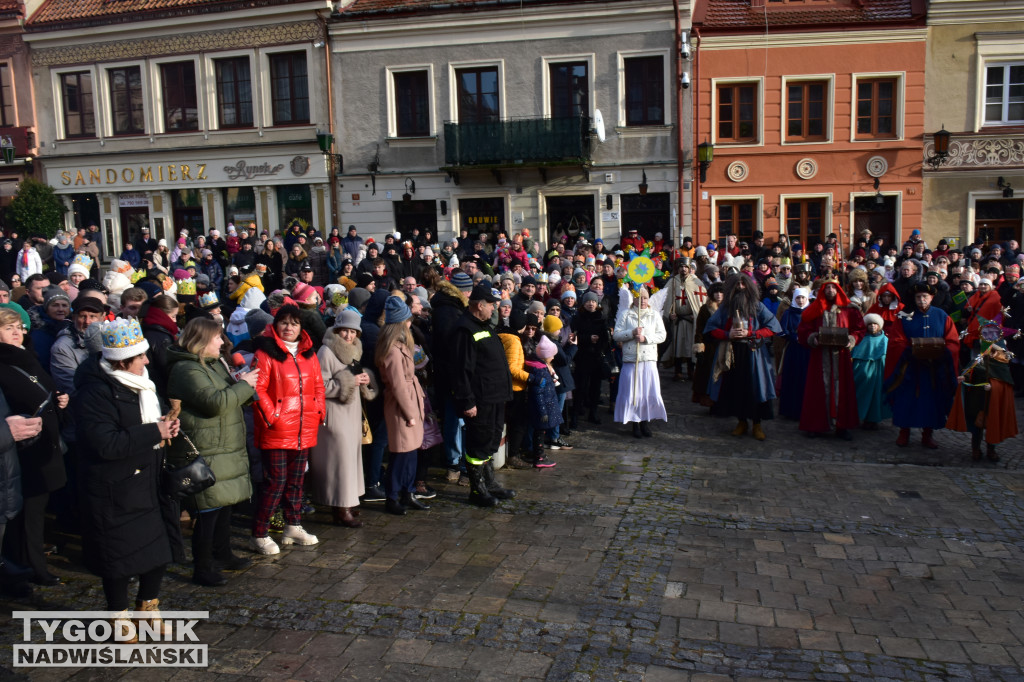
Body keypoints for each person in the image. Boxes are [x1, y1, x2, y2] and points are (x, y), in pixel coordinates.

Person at [73, 318, 181, 636]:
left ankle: (148, 605)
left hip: (149, 481)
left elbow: (148, 423)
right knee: (119, 558)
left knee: (157, 551)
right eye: (141, 356)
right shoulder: (95, 391)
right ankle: (117, 616)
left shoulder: (141, 383)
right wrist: (154, 431)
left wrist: (166, 426)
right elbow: (105, 442)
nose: (147, 361)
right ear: (123, 361)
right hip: (114, 488)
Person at [165, 318, 259, 586]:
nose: (222, 342)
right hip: (207, 447)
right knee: (207, 510)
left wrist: (243, 382)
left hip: (224, 445)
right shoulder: (185, 369)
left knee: (224, 504)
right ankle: (202, 566)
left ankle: (223, 553)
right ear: (201, 341)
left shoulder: (214, 363)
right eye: (217, 338)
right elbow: (215, 403)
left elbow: (229, 391)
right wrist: (245, 385)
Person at [0, 307, 69, 587]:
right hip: (19, 453)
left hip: (42, 446)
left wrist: (60, 400)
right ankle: (28, 567)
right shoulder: (4, 364)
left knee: (35, 512)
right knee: (23, 515)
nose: (17, 332)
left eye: (19, 327)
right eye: (8, 328)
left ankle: (28, 564)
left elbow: (45, 388)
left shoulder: (27, 357)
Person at [250, 304, 326, 554]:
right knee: (276, 482)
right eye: (284, 322)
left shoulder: (309, 353)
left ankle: (293, 524)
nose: (289, 327)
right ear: (276, 324)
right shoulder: (265, 352)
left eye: (294, 323)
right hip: (277, 429)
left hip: (304, 427)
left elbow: (317, 386)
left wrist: (319, 411)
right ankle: (260, 532)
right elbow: (258, 389)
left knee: (296, 481)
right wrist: (273, 417)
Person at [310, 310, 378, 526]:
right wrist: (349, 382)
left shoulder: (354, 350)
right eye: (345, 331)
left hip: (351, 414)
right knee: (339, 461)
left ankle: (348, 501)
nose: (348, 336)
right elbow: (319, 387)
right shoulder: (326, 351)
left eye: (352, 332)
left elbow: (354, 378)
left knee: (350, 459)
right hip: (334, 415)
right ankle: (340, 507)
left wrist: (365, 379)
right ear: (337, 330)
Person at [449, 284, 515, 507]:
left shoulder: (484, 326)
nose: (495, 309)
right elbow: (461, 370)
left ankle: (490, 483)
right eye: (492, 305)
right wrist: (467, 401)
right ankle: (477, 490)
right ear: (479, 305)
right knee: (478, 443)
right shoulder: (465, 329)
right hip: (480, 399)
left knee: (491, 439)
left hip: (495, 396)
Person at [704, 273, 782, 440]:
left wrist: (752, 333)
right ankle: (741, 422)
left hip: (754, 353)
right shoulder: (726, 308)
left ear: (749, 287)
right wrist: (727, 333)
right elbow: (710, 328)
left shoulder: (757, 306)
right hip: (732, 353)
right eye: (737, 285)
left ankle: (757, 424)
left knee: (755, 387)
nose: (740, 287)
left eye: (743, 284)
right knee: (736, 388)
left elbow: (773, 326)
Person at [884, 283, 960, 449]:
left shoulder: (942, 316)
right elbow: (896, 340)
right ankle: (904, 433)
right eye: (918, 297)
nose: (921, 300)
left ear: (932, 297)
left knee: (931, 401)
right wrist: (909, 351)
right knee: (906, 400)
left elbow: (953, 341)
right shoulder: (904, 316)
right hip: (910, 368)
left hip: (933, 369)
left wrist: (942, 352)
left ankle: (928, 435)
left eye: (925, 296)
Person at [376, 297, 428, 515]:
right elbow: (397, 385)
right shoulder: (392, 349)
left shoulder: (399, 345)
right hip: (401, 405)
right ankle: (393, 496)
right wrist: (410, 413)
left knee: (411, 451)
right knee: (401, 453)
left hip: (410, 399)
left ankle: (407, 492)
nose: (410, 323)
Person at [797, 277, 864, 439]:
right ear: (822, 290)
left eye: (833, 288)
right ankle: (816, 425)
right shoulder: (815, 309)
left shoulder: (849, 309)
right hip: (820, 356)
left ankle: (842, 426)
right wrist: (812, 337)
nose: (830, 291)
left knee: (843, 390)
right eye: (827, 288)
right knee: (818, 389)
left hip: (840, 356)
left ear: (838, 290)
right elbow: (804, 329)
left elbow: (859, 329)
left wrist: (852, 339)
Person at [947, 324, 1018, 461]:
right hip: (977, 399)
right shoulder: (978, 360)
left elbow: (1005, 384)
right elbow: (970, 371)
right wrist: (964, 377)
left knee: (992, 424)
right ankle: (976, 449)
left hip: (993, 401)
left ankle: (991, 450)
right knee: (976, 426)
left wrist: (994, 386)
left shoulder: (1001, 365)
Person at [613, 286, 668, 438]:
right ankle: (634, 423)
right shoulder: (626, 314)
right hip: (632, 359)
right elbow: (616, 335)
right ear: (634, 298)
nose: (642, 300)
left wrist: (646, 339)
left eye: (645, 297)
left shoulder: (654, 315)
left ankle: (645, 421)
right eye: (639, 297)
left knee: (647, 391)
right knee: (633, 391)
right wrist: (630, 333)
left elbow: (662, 335)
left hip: (648, 358)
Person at [661, 258, 706, 382]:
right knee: (677, 345)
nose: (683, 269)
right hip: (677, 320)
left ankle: (691, 371)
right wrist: (670, 314)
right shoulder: (672, 282)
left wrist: (697, 314)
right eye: (681, 267)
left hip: (692, 320)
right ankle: (678, 371)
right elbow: (665, 300)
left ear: (690, 268)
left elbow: (702, 301)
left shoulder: (696, 282)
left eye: (686, 267)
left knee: (690, 346)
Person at [776, 287, 811, 420]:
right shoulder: (788, 312)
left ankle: (806, 409)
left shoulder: (811, 312)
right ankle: (790, 410)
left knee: (806, 378)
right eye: (798, 298)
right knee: (792, 377)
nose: (801, 300)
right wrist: (793, 337)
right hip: (793, 349)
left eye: (803, 298)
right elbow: (782, 330)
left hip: (808, 349)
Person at [852, 312, 889, 430]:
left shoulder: (885, 339)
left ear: (879, 325)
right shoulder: (862, 339)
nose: (872, 326)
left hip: (878, 372)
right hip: (863, 372)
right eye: (870, 324)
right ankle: (859, 416)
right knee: (861, 394)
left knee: (876, 396)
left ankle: (873, 419)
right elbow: (856, 354)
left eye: (875, 324)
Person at [692, 282, 723, 407]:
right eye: (716, 292)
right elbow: (699, 329)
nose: (719, 295)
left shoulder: (728, 308)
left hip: (724, 345)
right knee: (708, 375)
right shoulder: (705, 309)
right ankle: (710, 402)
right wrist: (699, 347)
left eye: (721, 292)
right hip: (709, 346)